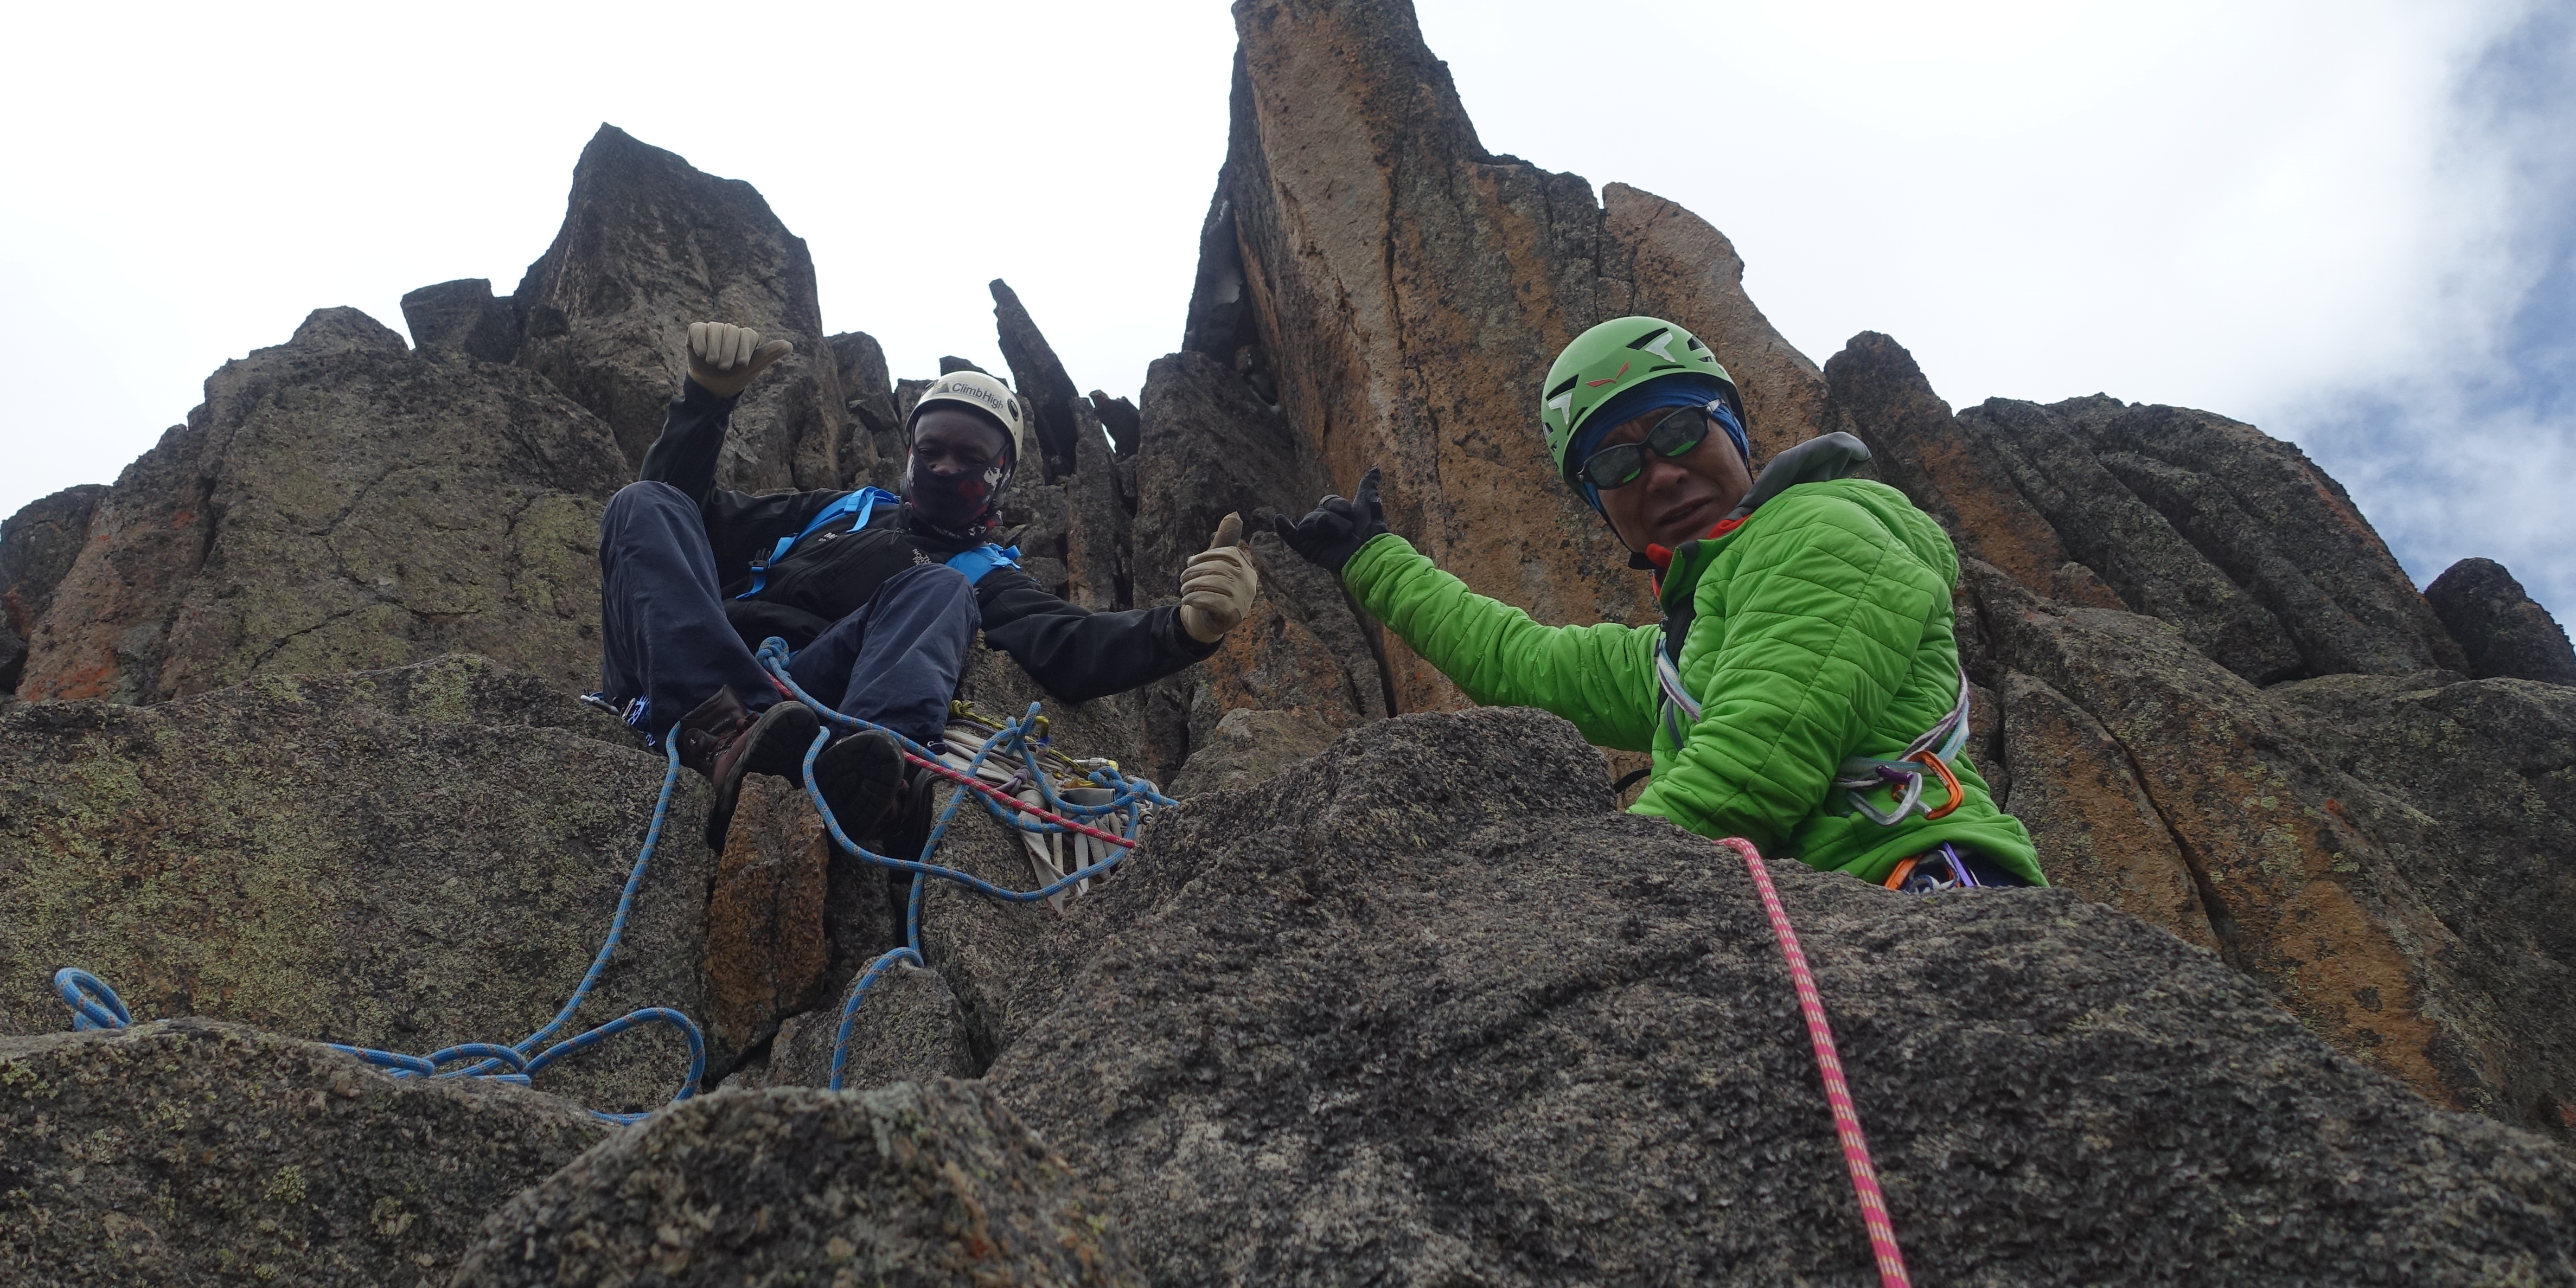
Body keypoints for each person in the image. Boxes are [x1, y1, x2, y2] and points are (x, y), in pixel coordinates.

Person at [1272, 315, 2042, 890]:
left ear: (1734, 432)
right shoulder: (1691, 649)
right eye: (1613, 462)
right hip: (1825, 920)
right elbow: (1519, 663)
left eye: (1678, 429)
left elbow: (1752, 763)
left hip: (1919, 893)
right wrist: (1370, 558)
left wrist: (1567, 902)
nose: (1660, 473)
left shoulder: (1823, 531)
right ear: (1597, 504)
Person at [598, 321, 1258, 849]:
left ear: (1004, 474)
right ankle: (719, 735)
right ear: (909, 451)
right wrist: (704, 405)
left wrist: (1185, 629)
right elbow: (679, 518)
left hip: (811, 699)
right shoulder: (840, 510)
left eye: (971, 459)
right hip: (709, 679)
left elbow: (1075, 645)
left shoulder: (984, 575)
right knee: (644, 501)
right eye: (931, 450)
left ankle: (874, 780)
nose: (945, 467)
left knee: (940, 590)